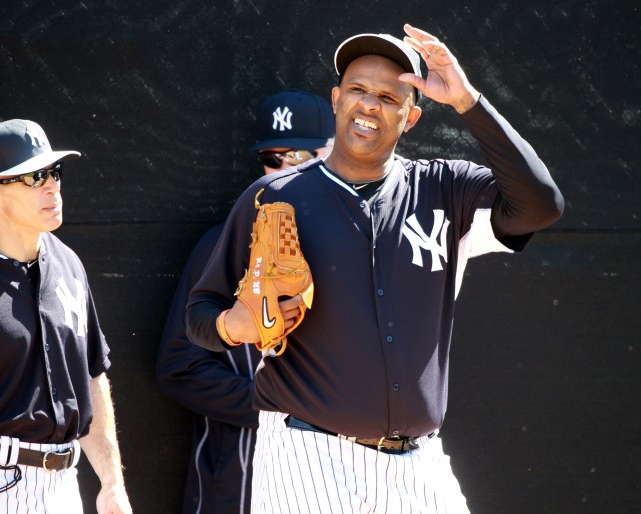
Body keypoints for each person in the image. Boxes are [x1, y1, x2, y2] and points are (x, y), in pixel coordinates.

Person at [185, 24, 565, 514]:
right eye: (359, 90)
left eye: (389, 97)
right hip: (307, 458)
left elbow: (542, 205)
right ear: (337, 98)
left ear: (412, 117)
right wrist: (231, 326)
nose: (369, 105)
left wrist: (469, 100)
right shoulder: (275, 197)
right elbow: (200, 315)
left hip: (418, 465)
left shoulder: (446, 188)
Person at [0, 119, 133, 514]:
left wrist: (112, 482)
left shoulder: (68, 263)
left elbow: (91, 376)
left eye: (54, 172)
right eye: (33, 177)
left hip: (64, 486)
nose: (52, 185)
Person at [156, 89, 334, 514]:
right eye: (274, 158)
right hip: (242, 471)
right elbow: (180, 367)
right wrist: (275, 408)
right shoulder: (226, 243)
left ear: (332, 151)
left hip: (337, 470)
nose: (283, 168)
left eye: (299, 156)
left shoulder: (359, 247)